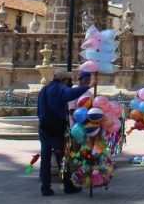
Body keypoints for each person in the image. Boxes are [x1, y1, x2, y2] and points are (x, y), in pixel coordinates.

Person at [37, 68, 93, 197]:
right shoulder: (60, 88)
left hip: (43, 127)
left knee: (45, 158)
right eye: (68, 79)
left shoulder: (44, 89)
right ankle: (67, 185)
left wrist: (43, 121)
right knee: (62, 158)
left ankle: (45, 187)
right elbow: (71, 94)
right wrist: (89, 86)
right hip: (56, 129)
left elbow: (39, 110)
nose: (70, 81)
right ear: (63, 79)